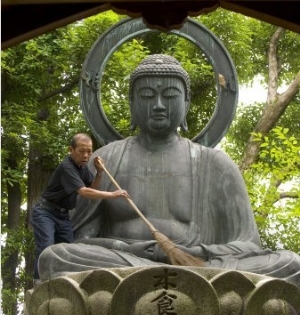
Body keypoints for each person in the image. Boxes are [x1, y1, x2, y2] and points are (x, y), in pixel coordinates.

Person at [38, 55, 300, 287]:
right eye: (147, 96)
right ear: (132, 101)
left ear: (186, 101)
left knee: (289, 263)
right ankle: (163, 276)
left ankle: (174, 277)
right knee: (56, 257)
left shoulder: (215, 164)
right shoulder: (105, 160)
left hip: (196, 265)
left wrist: (192, 251)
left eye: (171, 96)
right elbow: (77, 239)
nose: (159, 105)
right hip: (121, 263)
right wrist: (145, 251)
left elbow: (248, 244)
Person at [31, 133, 129, 284]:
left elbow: (92, 187)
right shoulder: (67, 167)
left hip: (63, 216)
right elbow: (84, 192)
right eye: (82, 151)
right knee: (46, 248)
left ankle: (62, 282)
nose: (86, 155)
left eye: (89, 151)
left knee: (68, 251)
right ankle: (39, 283)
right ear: (71, 150)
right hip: (46, 212)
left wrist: (100, 172)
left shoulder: (82, 168)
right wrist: (113, 194)